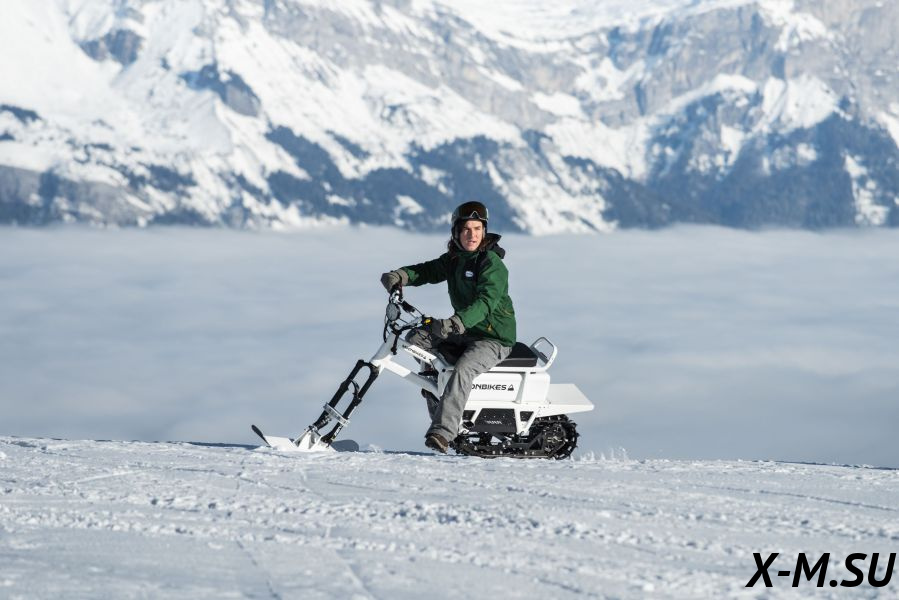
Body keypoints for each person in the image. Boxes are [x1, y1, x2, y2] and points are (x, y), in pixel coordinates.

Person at [380, 201, 516, 454]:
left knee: (462, 370)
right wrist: (401, 276)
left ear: (484, 231)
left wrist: (456, 323)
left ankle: (443, 432)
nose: (472, 235)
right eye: (466, 229)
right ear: (456, 232)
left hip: (494, 338)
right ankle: (435, 386)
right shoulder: (455, 259)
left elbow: (485, 302)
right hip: (466, 332)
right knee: (416, 339)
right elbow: (428, 271)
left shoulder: (491, 264)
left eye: (478, 229)